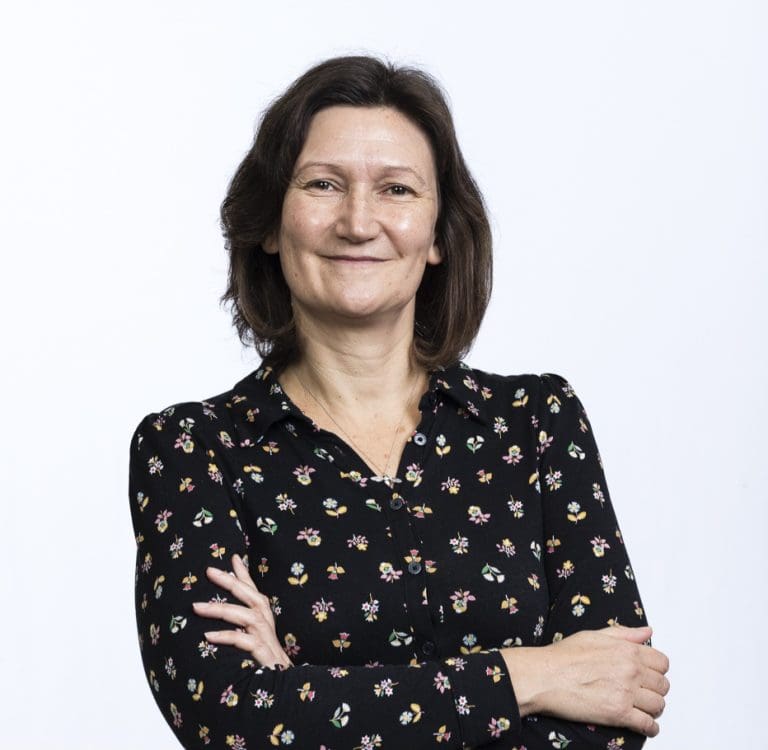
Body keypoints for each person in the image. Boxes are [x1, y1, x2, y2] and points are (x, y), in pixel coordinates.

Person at [128, 55, 670, 749]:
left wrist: (305, 690)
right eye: (323, 184)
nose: (358, 222)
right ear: (269, 222)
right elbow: (233, 718)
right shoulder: (192, 450)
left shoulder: (538, 424)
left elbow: (620, 699)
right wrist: (529, 675)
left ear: (440, 233)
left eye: (397, 190)